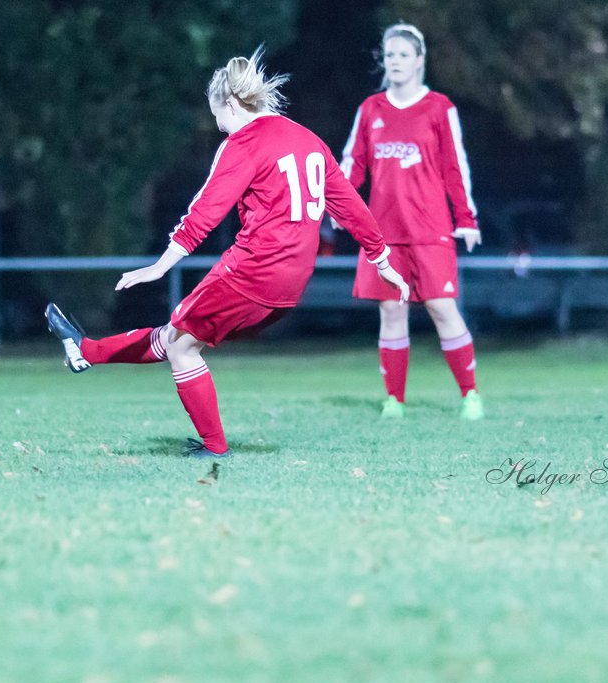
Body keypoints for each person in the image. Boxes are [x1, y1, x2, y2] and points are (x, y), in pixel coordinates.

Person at [46, 47, 409, 458]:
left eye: (216, 113)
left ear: (233, 104)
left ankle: (215, 449)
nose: (217, 124)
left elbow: (206, 210)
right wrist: (382, 260)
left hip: (252, 271)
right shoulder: (308, 140)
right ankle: (85, 350)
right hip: (291, 284)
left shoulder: (244, 142)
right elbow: (349, 205)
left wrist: (160, 265)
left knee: (182, 346)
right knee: (178, 336)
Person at [337, 23, 484, 421]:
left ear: (420, 60)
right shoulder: (370, 110)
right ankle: (394, 401)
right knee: (391, 311)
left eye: (404, 54)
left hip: (430, 229)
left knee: (441, 307)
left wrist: (466, 218)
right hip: (382, 233)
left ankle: (470, 395)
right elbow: (353, 166)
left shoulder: (439, 108)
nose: (396, 62)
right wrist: (339, 207)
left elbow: (456, 168)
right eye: (390, 55)